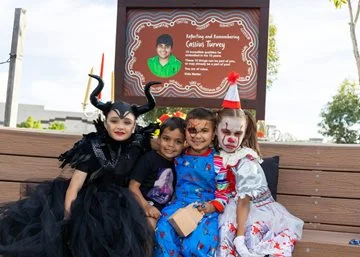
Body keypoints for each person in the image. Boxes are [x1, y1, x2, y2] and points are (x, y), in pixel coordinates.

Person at [0, 74, 161, 257]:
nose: (120, 127)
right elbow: (74, 187)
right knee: (88, 229)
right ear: (105, 123)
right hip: (89, 200)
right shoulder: (93, 146)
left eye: (127, 122)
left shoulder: (139, 145)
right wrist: (68, 218)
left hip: (123, 203)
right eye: (114, 121)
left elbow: (163, 150)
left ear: (134, 127)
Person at [215, 107, 303, 256]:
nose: (231, 139)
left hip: (255, 208)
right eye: (226, 132)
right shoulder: (216, 154)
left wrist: (239, 238)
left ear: (244, 134)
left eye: (237, 133)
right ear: (216, 130)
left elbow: (244, 203)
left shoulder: (246, 161)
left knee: (242, 235)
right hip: (229, 205)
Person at [154, 107, 228, 257]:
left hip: (205, 210)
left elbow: (224, 193)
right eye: (192, 130)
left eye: (204, 131)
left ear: (213, 134)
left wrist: (212, 207)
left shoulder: (219, 161)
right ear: (185, 132)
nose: (198, 136)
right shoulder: (178, 155)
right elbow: (158, 144)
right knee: (163, 231)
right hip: (177, 206)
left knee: (198, 243)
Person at [129, 117, 186, 230]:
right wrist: (146, 207)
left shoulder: (180, 163)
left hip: (166, 210)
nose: (171, 145)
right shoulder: (149, 159)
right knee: (150, 225)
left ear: (185, 144)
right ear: (158, 139)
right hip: (143, 206)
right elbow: (132, 186)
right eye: (166, 139)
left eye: (178, 142)